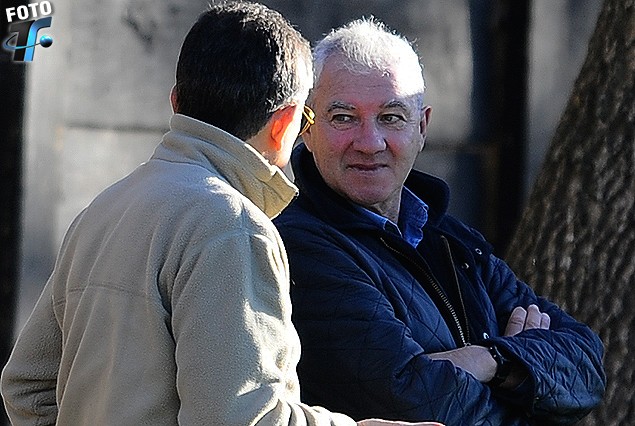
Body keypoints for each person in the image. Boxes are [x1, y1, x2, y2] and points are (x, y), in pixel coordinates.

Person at [0, 4, 442, 425]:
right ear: (286, 124)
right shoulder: (233, 226)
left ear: (175, 101)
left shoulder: (104, 208)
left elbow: (26, 387)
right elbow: (238, 418)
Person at [273, 18, 606, 425]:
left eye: (391, 117)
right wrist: (530, 385)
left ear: (422, 127)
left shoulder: (450, 238)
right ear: (306, 128)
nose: (370, 142)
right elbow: (411, 403)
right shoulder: (299, 246)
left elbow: (587, 363)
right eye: (343, 117)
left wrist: (493, 360)